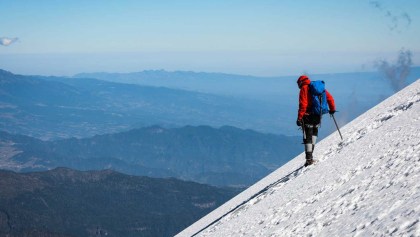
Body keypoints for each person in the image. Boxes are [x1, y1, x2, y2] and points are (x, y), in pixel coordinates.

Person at [296, 75, 336, 166]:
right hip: (318, 115)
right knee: (314, 133)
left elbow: (303, 105)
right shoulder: (318, 87)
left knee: (307, 137)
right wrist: (332, 109)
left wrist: (299, 118)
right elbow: (330, 98)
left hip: (308, 115)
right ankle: (311, 156)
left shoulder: (304, 89)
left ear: (301, 82)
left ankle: (309, 159)